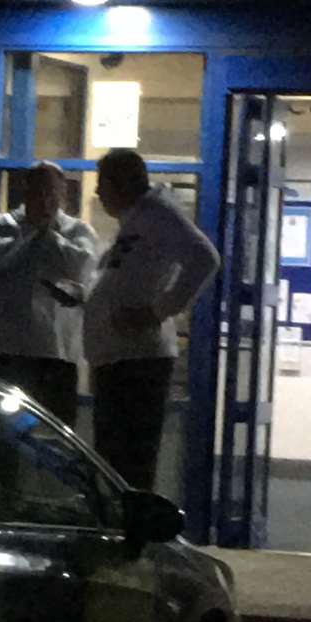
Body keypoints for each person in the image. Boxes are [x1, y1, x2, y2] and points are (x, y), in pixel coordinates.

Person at [85, 148, 220, 490]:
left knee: (130, 463)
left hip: (137, 360)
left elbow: (205, 258)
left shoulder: (159, 215)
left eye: (103, 185)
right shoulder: (136, 221)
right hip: (116, 357)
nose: (98, 194)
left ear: (121, 185)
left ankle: (135, 536)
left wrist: (157, 311)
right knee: (114, 463)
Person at [0, 161, 99, 426]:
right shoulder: (0, 225)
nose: (44, 200)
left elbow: (81, 266)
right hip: (6, 350)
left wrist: (49, 235)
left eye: (51, 193)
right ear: (25, 193)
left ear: (63, 195)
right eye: (37, 192)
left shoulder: (78, 231)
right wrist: (30, 234)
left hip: (56, 352)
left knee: (57, 431)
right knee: (0, 430)